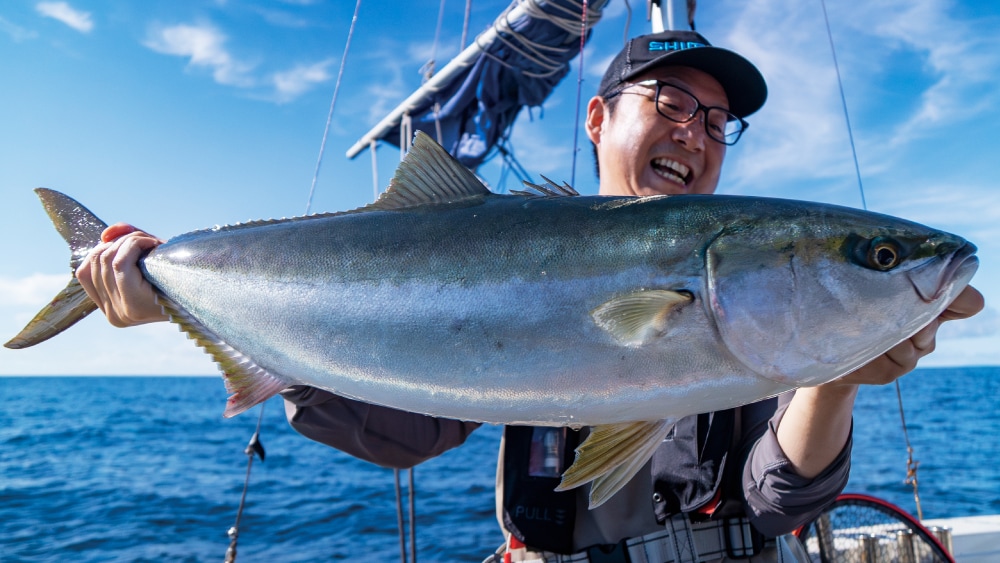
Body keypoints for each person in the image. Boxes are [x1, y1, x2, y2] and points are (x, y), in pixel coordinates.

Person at [77, 30, 984, 563]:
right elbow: (407, 432)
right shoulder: (549, 239)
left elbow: (779, 500)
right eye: (668, 101)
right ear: (598, 118)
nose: (694, 133)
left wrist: (837, 377)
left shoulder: (770, 334)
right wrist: (177, 297)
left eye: (716, 121)